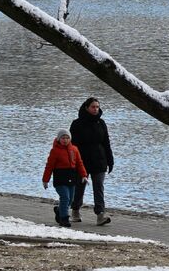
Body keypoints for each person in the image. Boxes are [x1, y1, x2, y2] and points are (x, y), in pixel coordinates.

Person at [70, 96, 115, 225]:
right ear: (86, 108)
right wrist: (73, 162)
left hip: (99, 161)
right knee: (80, 186)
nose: (95, 109)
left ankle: (100, 214)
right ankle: (75, 210)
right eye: (93, 107)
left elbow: (106, 143)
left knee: (99, 187)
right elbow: (72, 146)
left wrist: (110, 161)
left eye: (97, 107)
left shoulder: (101, 123)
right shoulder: (77, 124)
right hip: (82, 161)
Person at [42, 129, 87, 227]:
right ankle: (64, 218)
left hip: (72, 178)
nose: (65, 140)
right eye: (63, 138)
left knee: (70, 200)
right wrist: (45, 180)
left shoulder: (74, 149)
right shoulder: (55, 151)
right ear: (59, 139)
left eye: (67, 138)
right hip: (60, 179)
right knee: (65, 198)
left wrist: (84, 175)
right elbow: (49, 166)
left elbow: (79, 163)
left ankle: (59, 210)